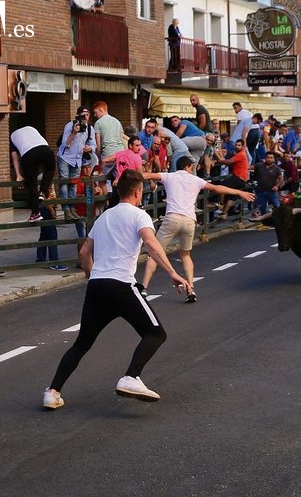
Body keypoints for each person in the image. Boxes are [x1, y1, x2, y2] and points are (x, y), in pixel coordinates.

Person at [42, 170, 191, 410]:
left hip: (97, 287)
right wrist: (173, 273)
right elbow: (152, 246)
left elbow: (83, 253)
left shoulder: (103, 218)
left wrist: (91, 275)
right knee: (155, 334)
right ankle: (131, 377)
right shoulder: (139, 215)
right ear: (137, 192)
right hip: (121, 285)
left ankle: (52, 392)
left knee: (82, 343)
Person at [140, 156, 254, 301]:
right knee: (185, 255)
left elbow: (147, 175)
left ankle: (143, 288)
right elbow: (217, 188)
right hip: (189, 221)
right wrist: (239, 192)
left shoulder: (169, 176)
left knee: (155, 254)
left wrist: (126, 177)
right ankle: (191, 290)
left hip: (172, 218)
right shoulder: (196, 180)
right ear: (188, 167)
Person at [10, 125, 56, 223]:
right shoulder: (32, 129)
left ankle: (35, 213)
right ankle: (42, 192)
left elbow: (15, 157)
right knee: (50, 170)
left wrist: (18, 174)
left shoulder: (13, 136)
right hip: (45, 149)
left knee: (31, 184)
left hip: (28, 154)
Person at [57, 107, 96, 222]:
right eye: (83, 115)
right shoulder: (70, 125)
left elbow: (94, 145)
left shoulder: (90, 128)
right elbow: (65, 143)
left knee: (74, 183)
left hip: (78, 159)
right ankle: (66, 210)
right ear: (78, 116)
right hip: (65, 157)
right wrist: (74, 132)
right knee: (64, 181)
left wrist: (89, 148)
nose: (86, 118)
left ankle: (72, 208)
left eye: (88, 115)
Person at [215, 139, 250, 219]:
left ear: (243, 146)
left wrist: (220, 161)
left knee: (222, 185)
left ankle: (220, 204)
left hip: (238, 178)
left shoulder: (240, 154)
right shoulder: (242, 154)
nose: (237, 147)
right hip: (243, 180)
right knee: (231, 197)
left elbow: (230, 161)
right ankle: (223, 214)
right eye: (236, 145)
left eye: (239, 145)